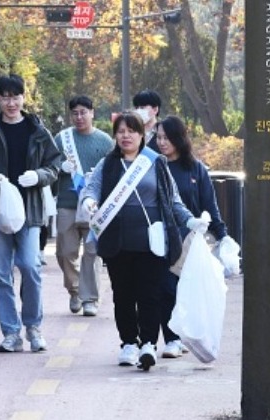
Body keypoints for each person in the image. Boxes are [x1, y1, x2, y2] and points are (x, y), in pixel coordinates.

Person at [80, 112, 207, 371]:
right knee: (123, 295)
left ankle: (148, 343)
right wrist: (89, 202)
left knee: (150, 294)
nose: (126, 136)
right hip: (117, 242)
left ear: (141, 135)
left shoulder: (155, 162)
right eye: (121, 131)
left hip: (151, 241)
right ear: (115, 135)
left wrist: (190, 221)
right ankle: (129, 343)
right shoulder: (108, 164)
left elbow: (172, 200)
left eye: (132, 131)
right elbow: (91, 188)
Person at [0, 74, 61, 353]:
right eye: (6, 97)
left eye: (16, 96)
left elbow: (54, 165)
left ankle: (33, 327)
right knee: (1, 273)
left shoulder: (38, 131)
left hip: (30, 209)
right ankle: (11, 333)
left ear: (23, 97)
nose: (11, 103)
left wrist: (39, 175)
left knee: (31, 266)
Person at [154, 115, 237, 358]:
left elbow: (209, 204)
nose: (162, 143)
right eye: (158, 138)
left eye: (167, 138)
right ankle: (171, 339)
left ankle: (186, 335)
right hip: (162, 238)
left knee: (188, 289)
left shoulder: (195, 169)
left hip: (190, 239)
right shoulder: (155, 166)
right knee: (166, 288)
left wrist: (222, 235)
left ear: (179, 139)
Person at [53, 95, 113, 317]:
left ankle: (90, 299)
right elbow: (50, 165)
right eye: (75, 113)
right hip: (67, 203)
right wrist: (61, 167)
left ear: (92, 113)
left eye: (83, 112)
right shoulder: (62, 139)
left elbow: (113, 170)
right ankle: (75, 290)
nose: (79, 117)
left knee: (92, 252)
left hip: (93, 206)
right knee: (65, 251)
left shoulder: (105, 141)